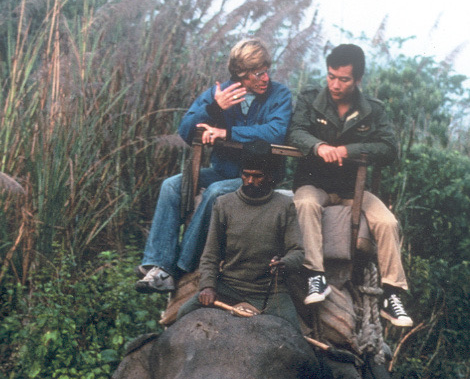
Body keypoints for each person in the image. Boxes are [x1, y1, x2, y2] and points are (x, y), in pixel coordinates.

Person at [136, 39, 293, 293]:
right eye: (258, 73)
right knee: (171, 185)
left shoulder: (279, 95)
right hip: (222, 171)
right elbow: (186, 131)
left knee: (216, 192)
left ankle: (180, 267)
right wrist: (213, 108)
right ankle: (159, 264)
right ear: (240, 75)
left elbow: (274, 132)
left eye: (267, 70)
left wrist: (226, 132)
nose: (266, 77)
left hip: (260, 178)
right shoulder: (219, 93)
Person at [288, 43, 413, 326]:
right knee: (305, 204)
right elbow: (295, 131)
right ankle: (315, 275)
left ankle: (392, 293)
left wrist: (349, 150)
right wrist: (318, 146)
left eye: (343, 79)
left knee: (387, 222)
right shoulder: (310, 100)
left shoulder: (373, 110)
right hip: (314, 182)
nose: (335, 84)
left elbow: (389, 149)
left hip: (352, 190)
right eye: (331, 76)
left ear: (357, 80)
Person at [177, 144, 304, 328]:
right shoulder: (224, 204)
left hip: (269, 292)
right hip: (229, 287)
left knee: (293, 333)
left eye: (257, 176)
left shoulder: (284, 206)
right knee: (184, 314)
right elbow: (211, 254)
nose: (250, 181)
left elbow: (298, 251)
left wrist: (285, 262)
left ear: (269, 176)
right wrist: (208, 286)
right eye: (246, 174)